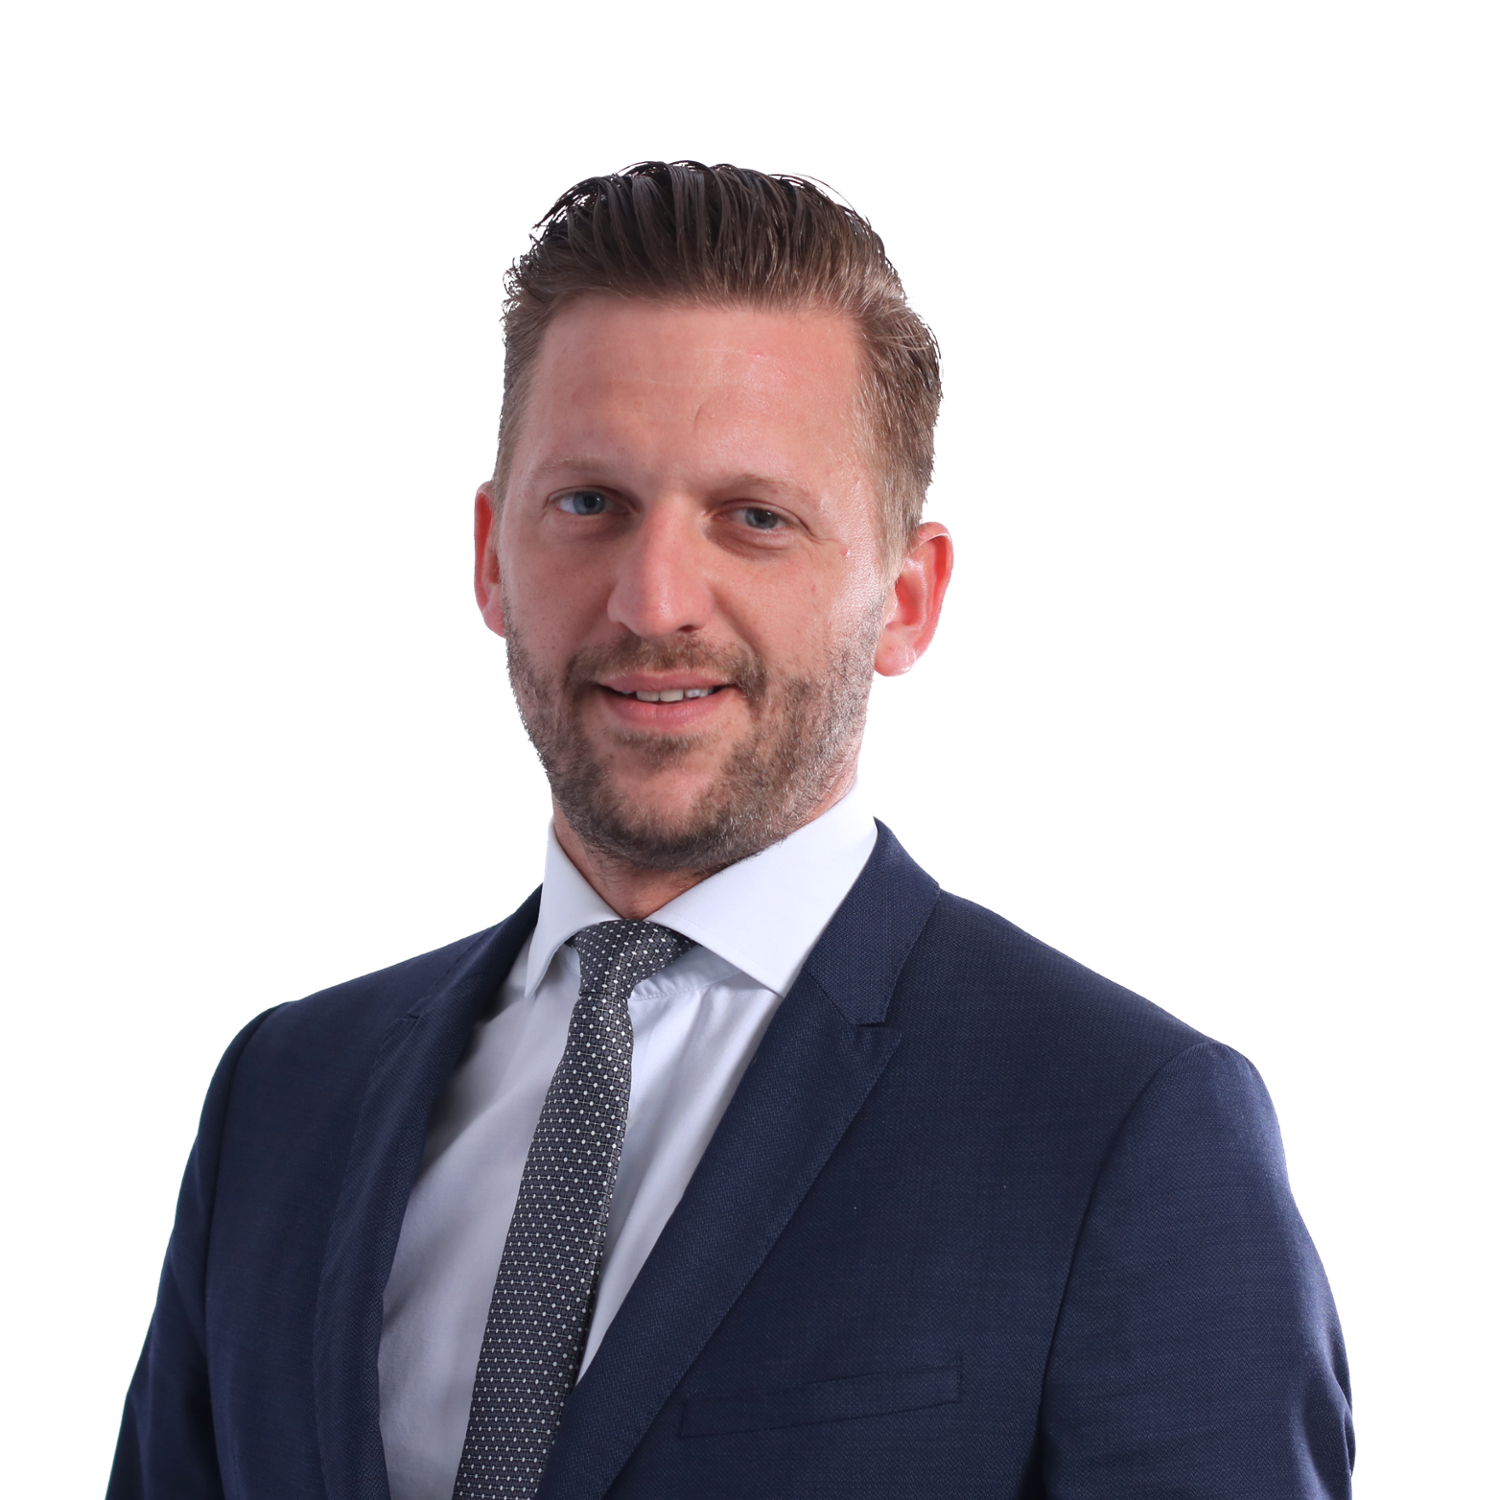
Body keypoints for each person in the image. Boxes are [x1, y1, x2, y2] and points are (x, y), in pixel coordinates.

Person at [108, 162, 1354, 1500]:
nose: (654, 601)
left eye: (755, 519)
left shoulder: (1129, 1125)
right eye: (589, 504)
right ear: (489, 555)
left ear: (908, 600)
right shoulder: (282, 1093)